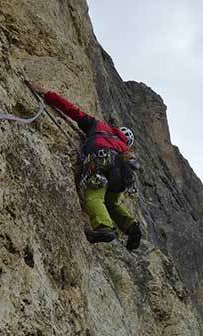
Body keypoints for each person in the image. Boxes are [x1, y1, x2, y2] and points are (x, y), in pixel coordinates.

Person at [29, 82, 142, 250]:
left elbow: (72, 110)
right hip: (123, 172)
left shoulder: (99, 126)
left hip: (101, 160)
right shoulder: (125, 148)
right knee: (111, 202)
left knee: (94, 196)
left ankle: (104, 228)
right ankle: (131, 227)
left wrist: (47, 94)